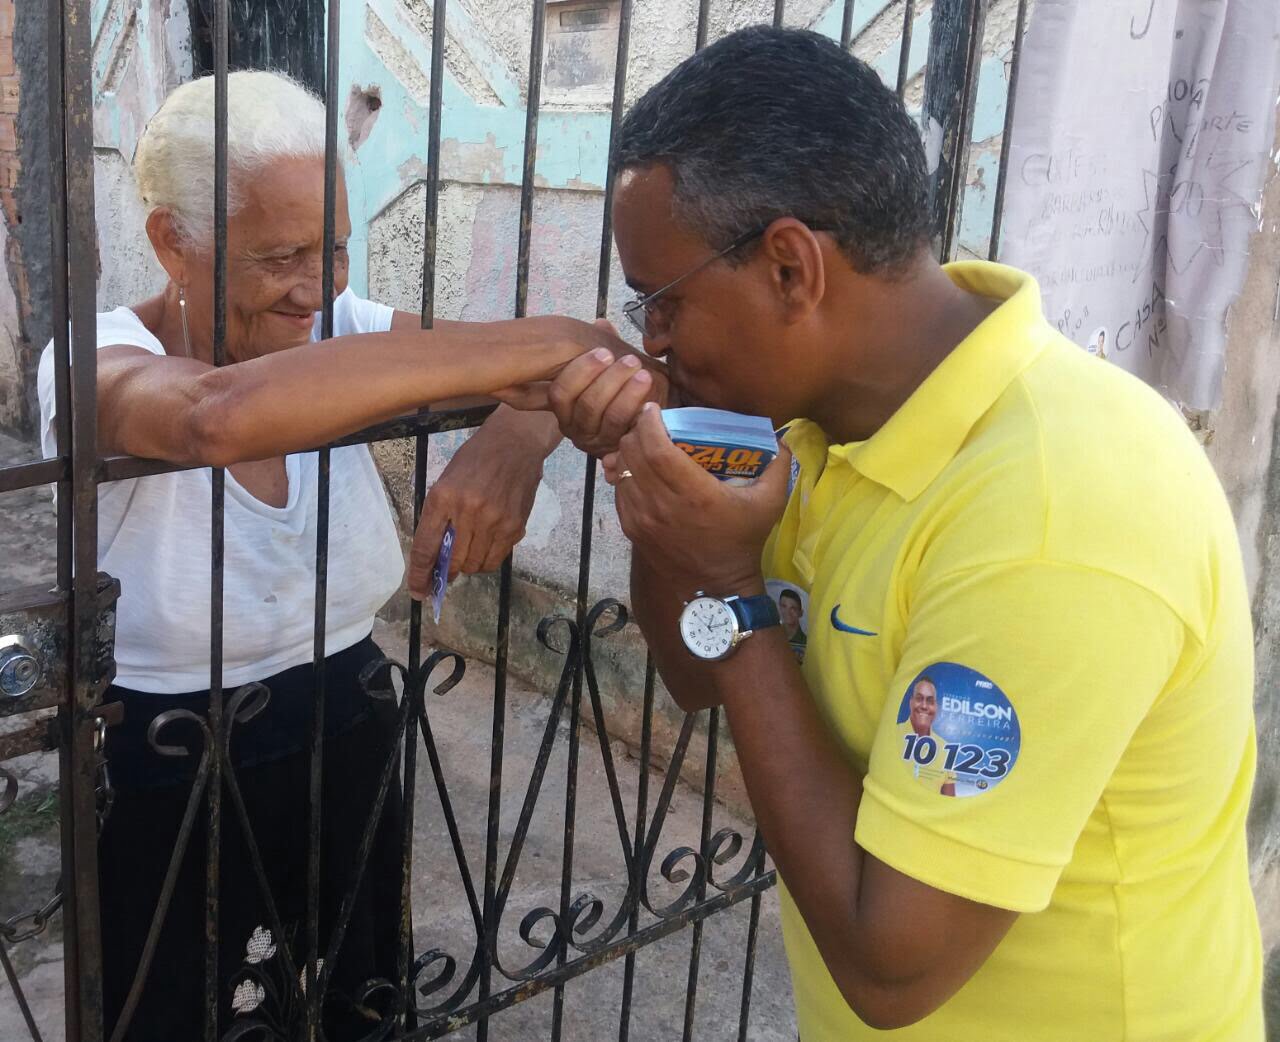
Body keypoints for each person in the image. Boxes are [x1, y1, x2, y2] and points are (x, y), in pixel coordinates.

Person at [544, 27, 1262, 1041]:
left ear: (791, 267)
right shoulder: (817, 423)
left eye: (661, 303)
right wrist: (674, 509)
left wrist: (731, 586)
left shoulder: (1053, 515)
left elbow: (891, 970)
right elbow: (697, 674)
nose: (648, 342)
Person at [35, 70, 638, 1040]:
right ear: (170, 241)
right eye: (281, 255)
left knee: (354, 1000)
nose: (316, 288)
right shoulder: (94, 356)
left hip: (347, 714)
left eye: (336, 248)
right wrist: (536, 366)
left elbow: (593, 356)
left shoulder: (343, 327)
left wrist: (510, 441)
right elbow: (212, 418)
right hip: (162, 752)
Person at [777, 587, 807, 662]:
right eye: (784, 606)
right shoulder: (773, 637)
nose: (788, 612)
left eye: (793, 608)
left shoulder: (806, 643)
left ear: (800, 613)